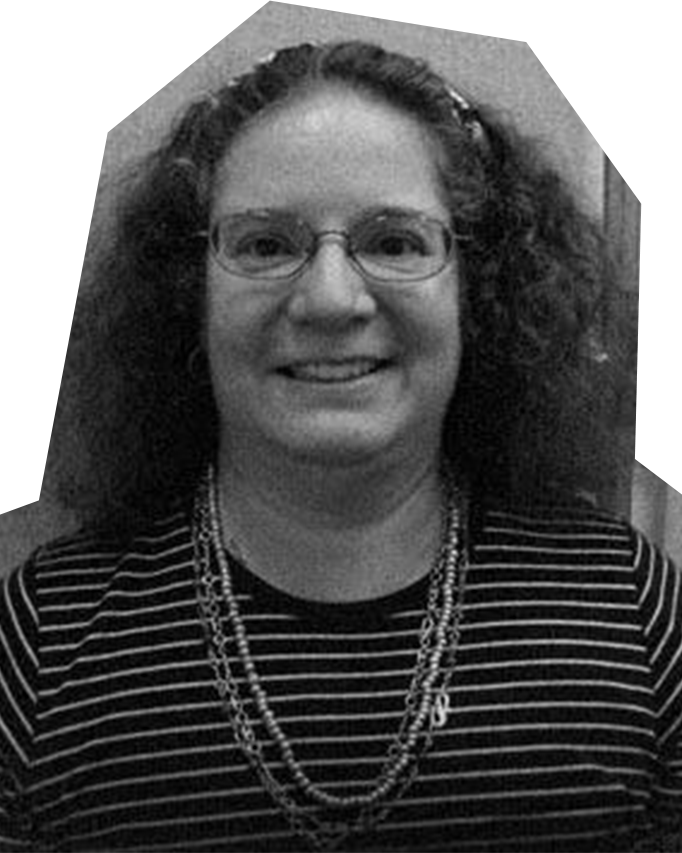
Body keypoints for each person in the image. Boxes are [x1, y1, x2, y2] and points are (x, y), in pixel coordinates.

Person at [0, 39, 672, 853]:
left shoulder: (632, 614)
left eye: (394, 242)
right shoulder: (42, 638)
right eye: (265, 244)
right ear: (188, 294)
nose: (328, 298)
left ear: (479, 290)